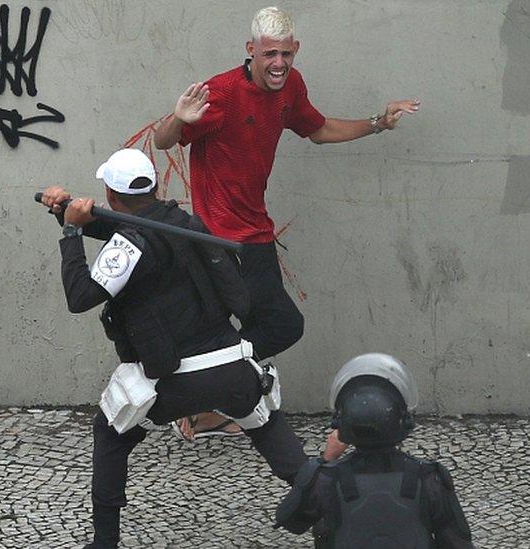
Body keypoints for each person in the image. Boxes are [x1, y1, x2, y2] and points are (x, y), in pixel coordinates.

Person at [153, 6, 421, 444]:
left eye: (286, 54)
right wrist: (177, 118)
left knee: (236, 328)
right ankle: (209, 395)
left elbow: (317, 129)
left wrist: (378, 124)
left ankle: (204, 402)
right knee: (282, 325)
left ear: (295, 51)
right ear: (251, 51)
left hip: (254, 233)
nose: (278, 63)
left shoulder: (290, 87)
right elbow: (165, 142)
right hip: (221, 238)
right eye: (269, 54)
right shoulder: (219, 94)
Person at [39, 148, 308, 549]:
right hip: (232, 367)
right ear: (155, 185)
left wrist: (71, 233)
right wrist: (66, 211)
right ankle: (328, 503)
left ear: (112, 196)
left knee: (110, 434)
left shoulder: (130, 241)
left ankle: (104, 543)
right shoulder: (186, 224)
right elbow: (127, 233)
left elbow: (81, 296)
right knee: (266, 424)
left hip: (172, 381)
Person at [275, 353, 474, 548]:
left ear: (342, 423)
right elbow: (457, 542)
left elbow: (291, 521)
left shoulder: (325, 480)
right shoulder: (430, 479)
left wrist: (327, 458)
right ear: (403, 422)